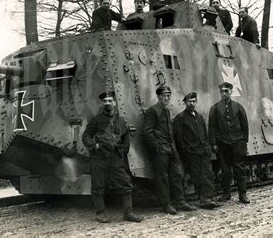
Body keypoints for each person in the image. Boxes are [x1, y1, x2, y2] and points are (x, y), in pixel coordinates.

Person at [82, 91, 143, 223]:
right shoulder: (96, 120)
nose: (107, 103)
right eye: (105, 101)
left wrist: (123, 151)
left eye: (110, 101)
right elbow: (86, 136)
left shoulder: (120, 120)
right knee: (98, 186)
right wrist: (95, 146)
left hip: (115, 158)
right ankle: (100, 213)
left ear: (114, 103)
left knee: (126, 184)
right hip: (99, 158)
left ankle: (128, 213)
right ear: (102, 103)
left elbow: (126, 137)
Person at [142, 85, 197, 214]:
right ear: (159, 97)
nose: (166, 98)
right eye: (164, 96)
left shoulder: (166, 111)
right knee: (163, 178)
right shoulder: (152, 111)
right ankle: (166, 204)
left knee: (176, 175)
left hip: (170, 149)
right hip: (161, 150)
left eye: (168, 96)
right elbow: (147, 132)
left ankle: (180, 201)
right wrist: (157, 146)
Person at [173, 92, 220, 209]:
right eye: (189, 102)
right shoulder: (180, 118)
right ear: (184, 103)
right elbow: (179, 138)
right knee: (197, 176)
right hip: (191, 152)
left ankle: (209, 198)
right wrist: (185, 152)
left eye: (194, 101)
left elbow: (204, 133)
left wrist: (207, 148)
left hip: (203, 151)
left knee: (208, 174)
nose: (192, 104)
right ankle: (204, 200)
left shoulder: (199, 117)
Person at [208, 82, 250, 204]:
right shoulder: (215, 109)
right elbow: (212, 127)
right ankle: (226, 193)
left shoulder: (238, 107)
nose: (224, 94)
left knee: (239, 169)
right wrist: (213, 143)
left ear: (231, 92)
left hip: (238, 143)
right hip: (222, 144)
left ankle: (243, 195)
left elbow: (244, 125)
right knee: (225, 170)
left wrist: (244, 141)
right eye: (222, 92)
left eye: (226, 91)